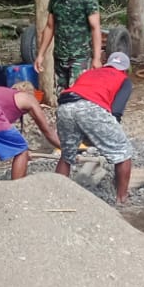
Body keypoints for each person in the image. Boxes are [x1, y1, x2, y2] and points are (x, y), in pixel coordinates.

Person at [54, 52, 136, 204]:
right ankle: (122, 199)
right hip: (91, 107)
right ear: (125, 69)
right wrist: (112, 134)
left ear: (107, 63)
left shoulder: (89, 73)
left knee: (66, 156)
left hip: (65, 106)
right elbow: (116, 111)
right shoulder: (124, 80)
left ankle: (56, 198)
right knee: (123, 151)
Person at [35, 0, 103, 91]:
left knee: (77, 94)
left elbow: (95, 28)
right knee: (61, 95)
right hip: (60, 58)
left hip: (80, 58)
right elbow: (49, 27)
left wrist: (96, 58)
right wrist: (41, 55)